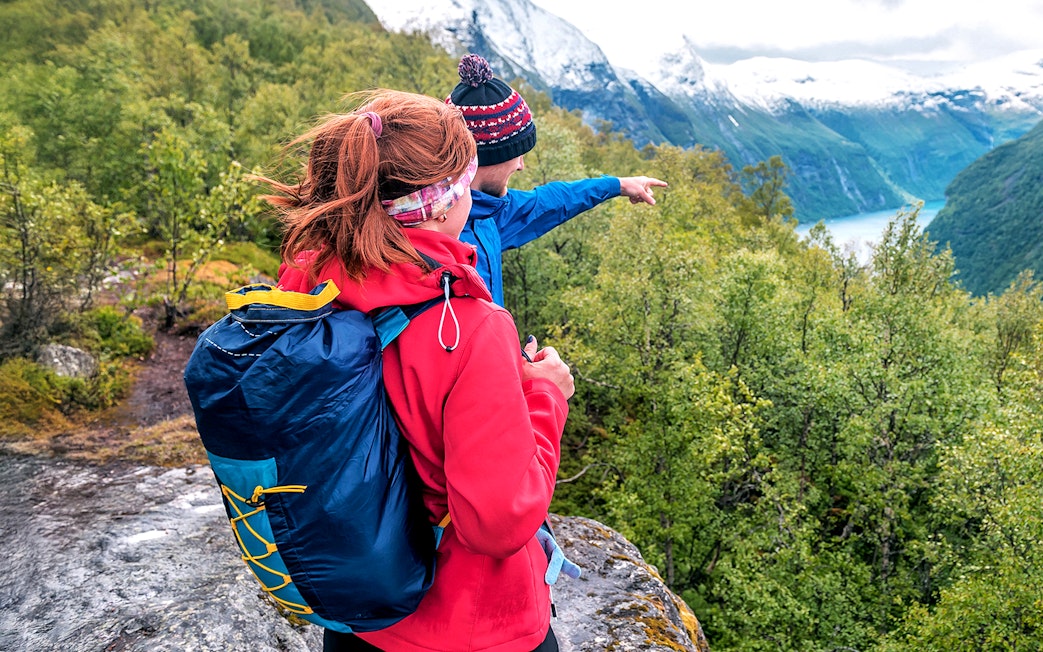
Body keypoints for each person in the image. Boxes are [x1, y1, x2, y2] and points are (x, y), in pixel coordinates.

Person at [264, 90, 575, 652]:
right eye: (467, 182)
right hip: (470, 623)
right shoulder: (472, 327)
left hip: (359, 610)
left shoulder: (304, 279)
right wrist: (546, 397)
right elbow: (498, 524)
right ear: (438, 204)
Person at [446, 53, 668, 306]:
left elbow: (550, 201)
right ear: (490, 157)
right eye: (517, 155)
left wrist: (616, 185)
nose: (521, 166)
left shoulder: (487, 213)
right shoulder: (444, 248)